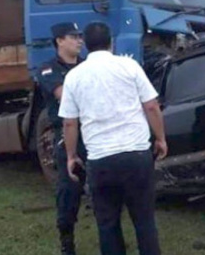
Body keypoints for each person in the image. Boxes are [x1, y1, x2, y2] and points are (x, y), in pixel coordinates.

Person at [59, 22, 167, 255]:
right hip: (137, 156)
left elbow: (69, 122)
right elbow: (151, 106)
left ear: (86, 46)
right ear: (112, 42)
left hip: (101, 160)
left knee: (107, 224)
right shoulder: (129, 66)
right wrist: (160, 139)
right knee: (144, 221)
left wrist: (71, 156)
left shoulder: (74, 77)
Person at [36, 22, 87, 255]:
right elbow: (63, 95)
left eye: (81, 36)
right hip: (67, 135)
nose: (79, 40)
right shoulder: (48, 68)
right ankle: (67, 241)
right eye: (73, 36)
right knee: (69, 191)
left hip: (93, 133)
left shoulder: (87, 65)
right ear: (59, 41)